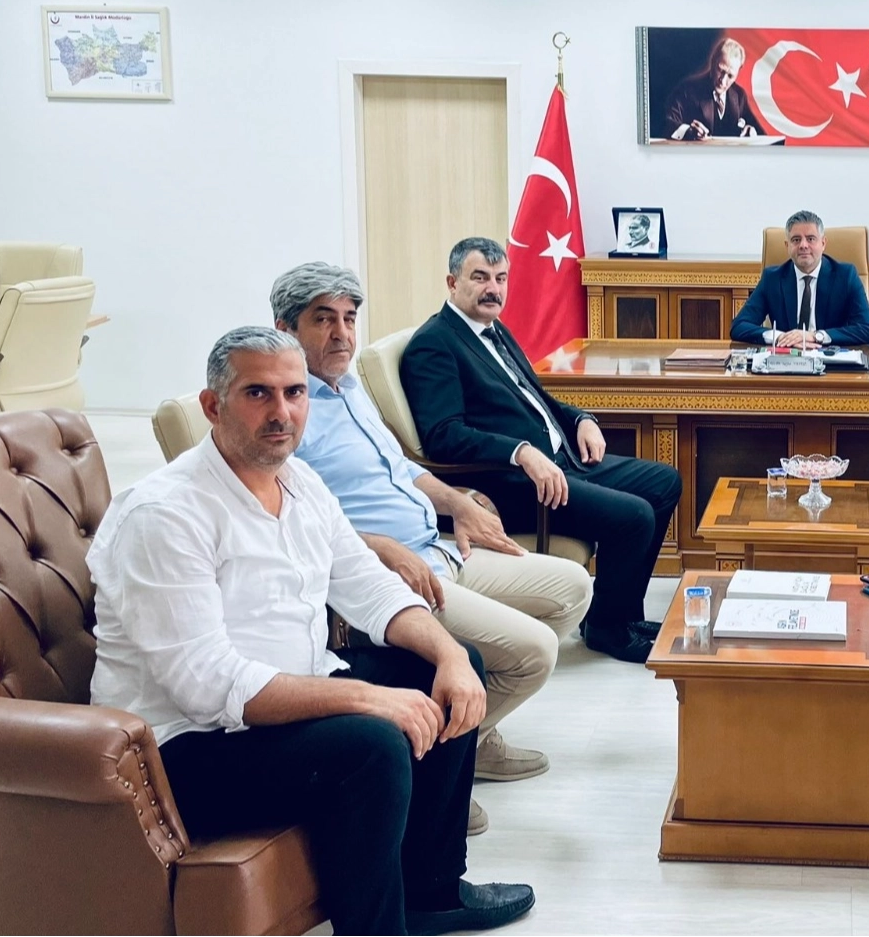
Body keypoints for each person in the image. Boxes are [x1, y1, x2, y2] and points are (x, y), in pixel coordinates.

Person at [88, 327, 534, 937]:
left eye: (294, 392)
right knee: (371, 745)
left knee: (444, 668)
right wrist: (367, 698)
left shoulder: (301, 483)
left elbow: (370, 589)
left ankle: (430, 893)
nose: (282, 412)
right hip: (183, 749)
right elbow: (207, 686)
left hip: (279, 704)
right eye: (258, 393)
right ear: (213, 406)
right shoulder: (165, 514)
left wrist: (450, 654)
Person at [271, 262, 594, 828]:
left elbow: (402, 469)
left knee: (571, 587)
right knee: (535, 652)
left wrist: (459, 502)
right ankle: (436, 774)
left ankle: (474, 739)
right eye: (323, 320)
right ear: (285, 328)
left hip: (436, 545)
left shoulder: (349, 389)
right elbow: (290, 521)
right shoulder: (287, 411)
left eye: (349, 318)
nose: (342, 333)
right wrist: (380, 548)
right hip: (388, 576)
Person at [399, 237, 683, 664]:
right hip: (511, 483)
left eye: (501, 278)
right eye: (480, 278)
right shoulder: (434, 344)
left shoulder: (493, 330)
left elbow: (538, 399)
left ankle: (617, 615)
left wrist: (582, 418)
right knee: (634, 516)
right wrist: (521, 452)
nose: (493, 289)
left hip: (560, 460)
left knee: (664, 482)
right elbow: (445, 435)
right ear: (452, 283)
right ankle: (608, 631)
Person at [730, 210, 869, 347]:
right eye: (796, 240)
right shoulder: (772, 279)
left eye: (811, 239)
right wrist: (781, 337)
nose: (803, 245)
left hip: (831, 358)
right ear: (787, 246)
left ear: (823, 243)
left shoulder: (846, 276)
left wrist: (816, 336)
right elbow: (739, 326)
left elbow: (866, 329)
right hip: (786, 357)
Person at [662, 36, 763, 141]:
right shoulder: (687, 90)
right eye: (720, 70)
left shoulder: (739, 95)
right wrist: (689, 131)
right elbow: (667, 123)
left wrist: (751, 130)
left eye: (730, 76)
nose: (723, 80)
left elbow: (755, 128)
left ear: (738, 72)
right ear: (713, 61)